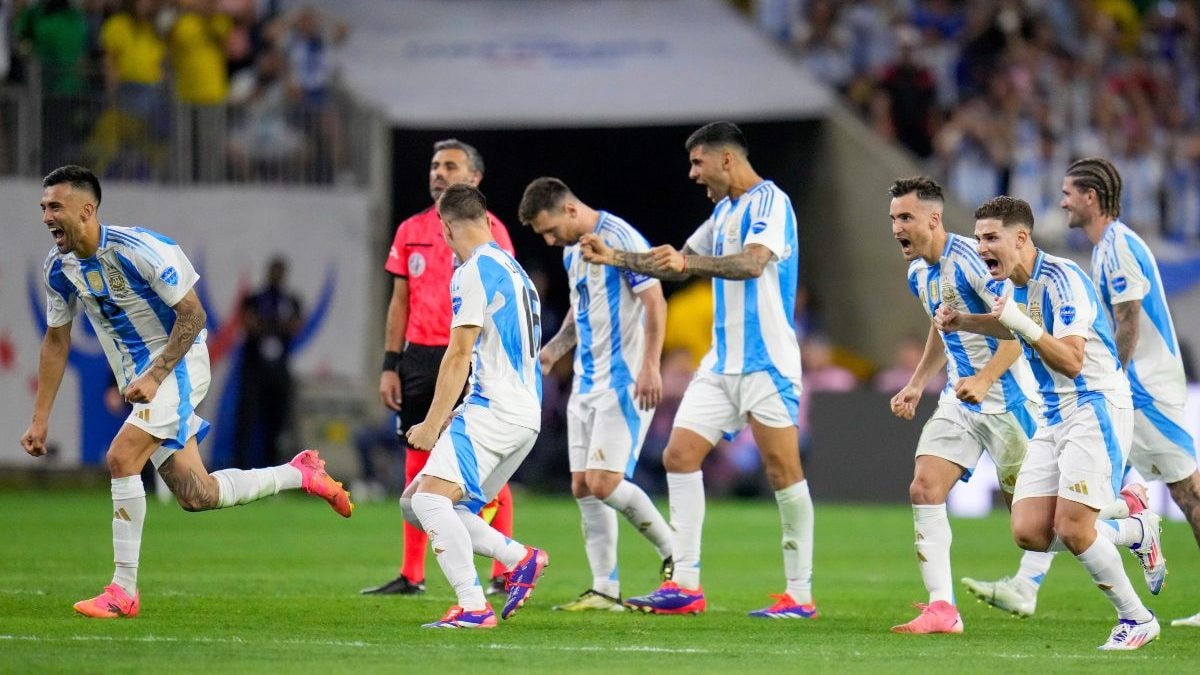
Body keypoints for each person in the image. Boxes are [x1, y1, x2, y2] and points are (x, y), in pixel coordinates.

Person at [21, 165, 352, 619]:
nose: (45, 217)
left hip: (179, 365)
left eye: (54, 206)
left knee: (121, 457)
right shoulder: (59, 269)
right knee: (198, 494)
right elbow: (56, 340)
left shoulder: (142, 250)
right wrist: (40, 419)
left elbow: (194, 317)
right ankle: (301, 473)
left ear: (87, 209)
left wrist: (157, 374)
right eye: (42, 207)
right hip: (144, 381)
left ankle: (122, 590)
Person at [580, 121, 816, 619]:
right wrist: (616, 256)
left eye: (697, 162)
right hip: (721, 363)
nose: (692, 174)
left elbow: (751, 265)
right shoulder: (724, 211)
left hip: (767, 363)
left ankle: (800, 594)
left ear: (726, 160)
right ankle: (685, 584)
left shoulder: (771, 203)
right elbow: (677, 262)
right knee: (679, 456)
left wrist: (688, 265)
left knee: (783, 471)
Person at [963, 157, 1200, 629]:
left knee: (1188, 490)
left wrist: (1119, 377)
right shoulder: (1099, 249)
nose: (1063, 200)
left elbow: (1127, 319)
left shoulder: (1115, 247)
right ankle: (1133, 527)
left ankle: (1109, 572)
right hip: (1106, 394)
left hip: (1141, 387)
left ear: (1090, 197)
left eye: (1069, 192)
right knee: (1064, 515)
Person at [936, 195, 1162, 650]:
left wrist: (1020, 321)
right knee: (1030, 533)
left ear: (1021, 238)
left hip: (1094, 403)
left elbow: (1074, 361)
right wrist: (966, 320)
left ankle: (1137, 619)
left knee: (1076, 529)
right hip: (1053, 413)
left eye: (990, 238)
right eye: (979, 238)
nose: (981, 248)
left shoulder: (1064, 280)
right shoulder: (1010, 286)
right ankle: (1135, 527)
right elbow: (1011, 324)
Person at [884, 176, 1040, 634]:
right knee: (924, 488)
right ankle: (942, 609)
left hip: (1010, 405)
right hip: (960, 401)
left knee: (1035, 527)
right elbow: (942, 325)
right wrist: (917, 384)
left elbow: (1020, 327)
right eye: (893, 218)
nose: (896, 227)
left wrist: (986, 376)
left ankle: (1128, 526)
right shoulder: (918, 273)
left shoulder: (973, 262)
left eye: (905, 217)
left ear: (934, 219)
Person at [363, 139, 517, 596]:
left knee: (482, 470)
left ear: (474, 179)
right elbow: (399, 302)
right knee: (415, 463)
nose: (438, 173)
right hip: (419, 358)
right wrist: (391, 364)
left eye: (450, 166)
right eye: (434, 165)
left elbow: (502, 303)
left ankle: (503, 572)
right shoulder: (410, 229)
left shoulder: (493, 233)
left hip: (466, 356)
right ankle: (413, 575)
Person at [518, 177, 673, 612]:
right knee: (583, 486)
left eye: (550, 229)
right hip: (586, 383)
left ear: (569, 209)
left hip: (623, 381)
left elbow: (655, 301)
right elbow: (580, 308)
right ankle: (605, 588)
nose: (550, 240)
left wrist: (650, 365)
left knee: (605, 483)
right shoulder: (572, 251)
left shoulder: (619, 238)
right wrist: (552, 352)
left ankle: (678, 556)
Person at [400, 183, 547, 629]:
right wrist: (450, 413)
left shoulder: (471, 270)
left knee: (428, 502)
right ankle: (519, 558)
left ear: (445, 228)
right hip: (525, 416)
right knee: (423, 503)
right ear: (486, 220)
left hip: (494, 411)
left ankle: (473, 606)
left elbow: (459, 352)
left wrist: (428, 425)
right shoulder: (515, 270)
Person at [233, 255, 303, 469]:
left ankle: (274, 468)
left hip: (279, 369)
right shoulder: (254, 299)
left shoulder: (291, 301)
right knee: (247, 419)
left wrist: (270, 325)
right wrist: (274, 325)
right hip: (254, 368)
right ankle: (241, 467)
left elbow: (295, 326)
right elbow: (249, 324)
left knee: (277, 421)